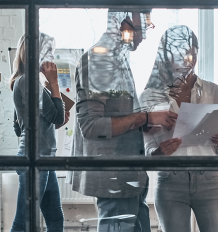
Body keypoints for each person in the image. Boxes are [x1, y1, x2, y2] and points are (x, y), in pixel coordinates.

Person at [67, 9, 178, 232]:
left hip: (129, 178)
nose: (144, 35)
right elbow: (91, 127)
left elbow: (117, 116)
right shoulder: (100, 60)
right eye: (143, 26)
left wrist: (145, 122)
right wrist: (144, 117)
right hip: (114, 181)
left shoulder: (117, 58)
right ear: (121, 19)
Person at [140, 25, 218, 232]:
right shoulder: (149, 96)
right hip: (171, 180)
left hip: (210, 179)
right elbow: (146, 152)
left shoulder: (215, 92)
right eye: (181, 55)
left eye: (192, 54)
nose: (187, 61)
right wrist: (159, 152)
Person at [9, 32, 68, 232]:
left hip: (44, 158)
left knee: (55, 220)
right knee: (23, 222)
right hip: (35, 159)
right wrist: (54, 82)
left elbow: (20, 127)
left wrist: (52, 122)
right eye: (48, 51)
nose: (51, 57)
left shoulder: (28, 82)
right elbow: (58, 117)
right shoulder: (28, 82)